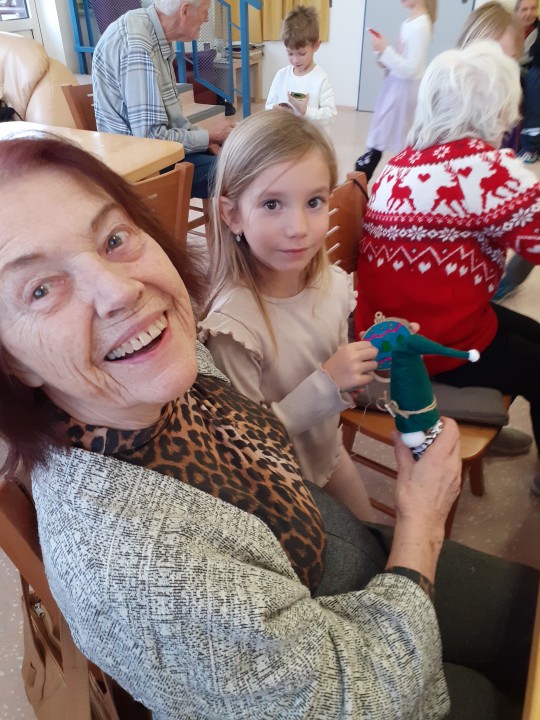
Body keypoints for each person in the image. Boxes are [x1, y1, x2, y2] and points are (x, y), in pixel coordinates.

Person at [0, 134, 537, 720]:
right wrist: (422, 525)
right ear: (12, 362)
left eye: (113, 238)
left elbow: (281, 435)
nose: (120, 292)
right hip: (360, 662)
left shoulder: (161, 365)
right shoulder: (137, 567)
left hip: (352, 555)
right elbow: (353, 699)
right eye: (40, 289)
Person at [354, 40, 540, 496]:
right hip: (435, 346)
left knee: (529, 335)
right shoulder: (487, 169)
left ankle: (484, 415)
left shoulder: (400, 164)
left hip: (386, 334)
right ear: (499, 108)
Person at [200, 111, 377, 521]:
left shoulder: (332, 284)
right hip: (276, 490)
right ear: (232, 214)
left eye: (314, 202)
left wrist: (370, 361)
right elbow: (243, 443)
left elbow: (336, 365)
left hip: (328, 455)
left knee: (371, 535)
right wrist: (327, 384)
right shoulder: (233, 328)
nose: (297, 227)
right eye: (272, 204)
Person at [92, 0, 236, 199]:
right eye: (205, 11)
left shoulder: (151, 31)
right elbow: (150, 140)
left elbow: (170, 124)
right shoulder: (138, 46)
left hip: (158, 152)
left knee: (243, 155)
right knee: (245, 173)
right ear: (185, 11)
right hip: (142, 164)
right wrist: (208, 136)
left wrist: (205, 139)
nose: (206, 19)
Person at [354, 0, 437, 182]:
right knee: (382, 133)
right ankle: (364, 172)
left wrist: (385, 50)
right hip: (396, 87)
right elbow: (403, 60)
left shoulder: (420, 24)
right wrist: (382, 55)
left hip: (403, 93)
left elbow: (412, 68)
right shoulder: (410, 21)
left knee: (389, 136)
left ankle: (364, 173)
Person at [265, 5, 337, 131]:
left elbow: (330, 115)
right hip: (286, 137)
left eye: (302, 53)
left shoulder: (320, 79)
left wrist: (306, 111)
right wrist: (275, 110)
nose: (295, 60)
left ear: (316, 46)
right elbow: (269, 106)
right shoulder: (281, 75)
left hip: (311, 139)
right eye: (290, 53)